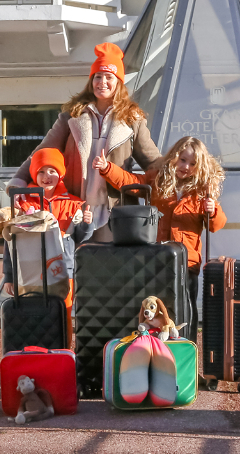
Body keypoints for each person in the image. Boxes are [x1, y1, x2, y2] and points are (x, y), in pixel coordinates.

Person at [7, 43, 162, 241]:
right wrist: (17, 183)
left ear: (119, 83)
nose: (102, 82)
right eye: (97, 76)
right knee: (78, 266)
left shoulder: (133, 121)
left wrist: (184, 178)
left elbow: (154, 162)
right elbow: (42, 153)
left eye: (109, 77)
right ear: (91, 81)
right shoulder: (71, 117)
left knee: (112, 268)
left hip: (116, 211)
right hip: (76, 209)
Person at [94, 136, 227, 344]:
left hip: (187, 261)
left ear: (199, 166)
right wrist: (107, 168)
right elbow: (133, 182)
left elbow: (216, 225)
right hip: (157, 256)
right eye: (182, 160)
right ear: (174, 157)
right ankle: (155, 349)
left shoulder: (202, 191)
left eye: (192, 164)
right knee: (156, 306)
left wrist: (213, 211)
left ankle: (186, 349)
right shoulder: (159, 178)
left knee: (186, 307)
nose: (185, 167)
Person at [2, 148, 95, 343]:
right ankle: (34, 353)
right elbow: (11, 241)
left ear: (60, 174)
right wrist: (9, 276)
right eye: (41, 171)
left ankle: (63, 354)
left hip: (63, 271)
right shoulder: (22, 203)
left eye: (52, 171)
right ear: (34, 173)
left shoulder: (74, 203)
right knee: (31, 314)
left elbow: (81, 237)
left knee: (64, 312)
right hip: (29, 271)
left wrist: (87, 222)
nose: (46, 176)